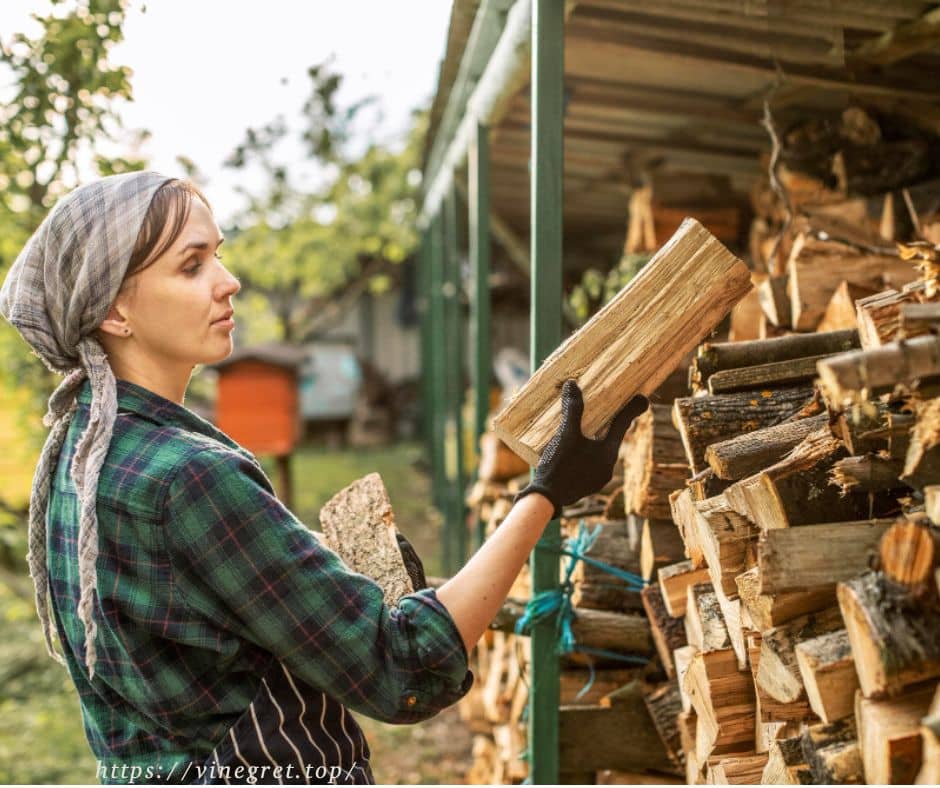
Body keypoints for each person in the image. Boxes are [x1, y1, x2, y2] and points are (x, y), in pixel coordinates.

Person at [0, 171, 648, 785]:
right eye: (192, 265)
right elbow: (403, 667)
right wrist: (548, 490)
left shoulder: (77, 454)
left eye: (218, 255)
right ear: (115, 311)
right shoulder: (189, 480)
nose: (229, 282)